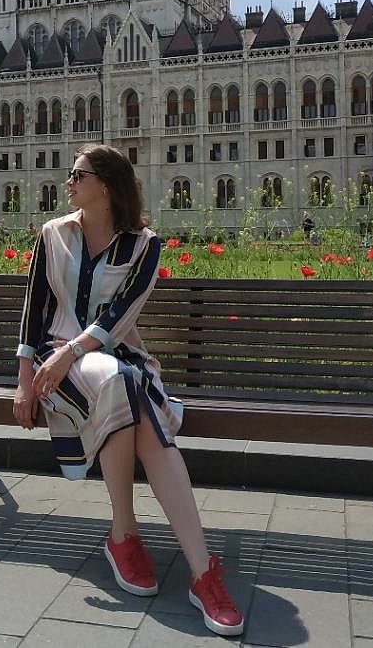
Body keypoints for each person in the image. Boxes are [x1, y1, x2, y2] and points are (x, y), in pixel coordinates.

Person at [15, 143, 244, 637]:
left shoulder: (144, 246)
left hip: (114, 359)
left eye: (77, 174)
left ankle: (164, 552)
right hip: (58, 371)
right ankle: (185, 563)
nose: (68, 182)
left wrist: (71, 351)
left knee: (124, 385)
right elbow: (34, 309)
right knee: (128, 392)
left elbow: (120, 316)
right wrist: (24, 380)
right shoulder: (53, 234)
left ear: (105, 184)